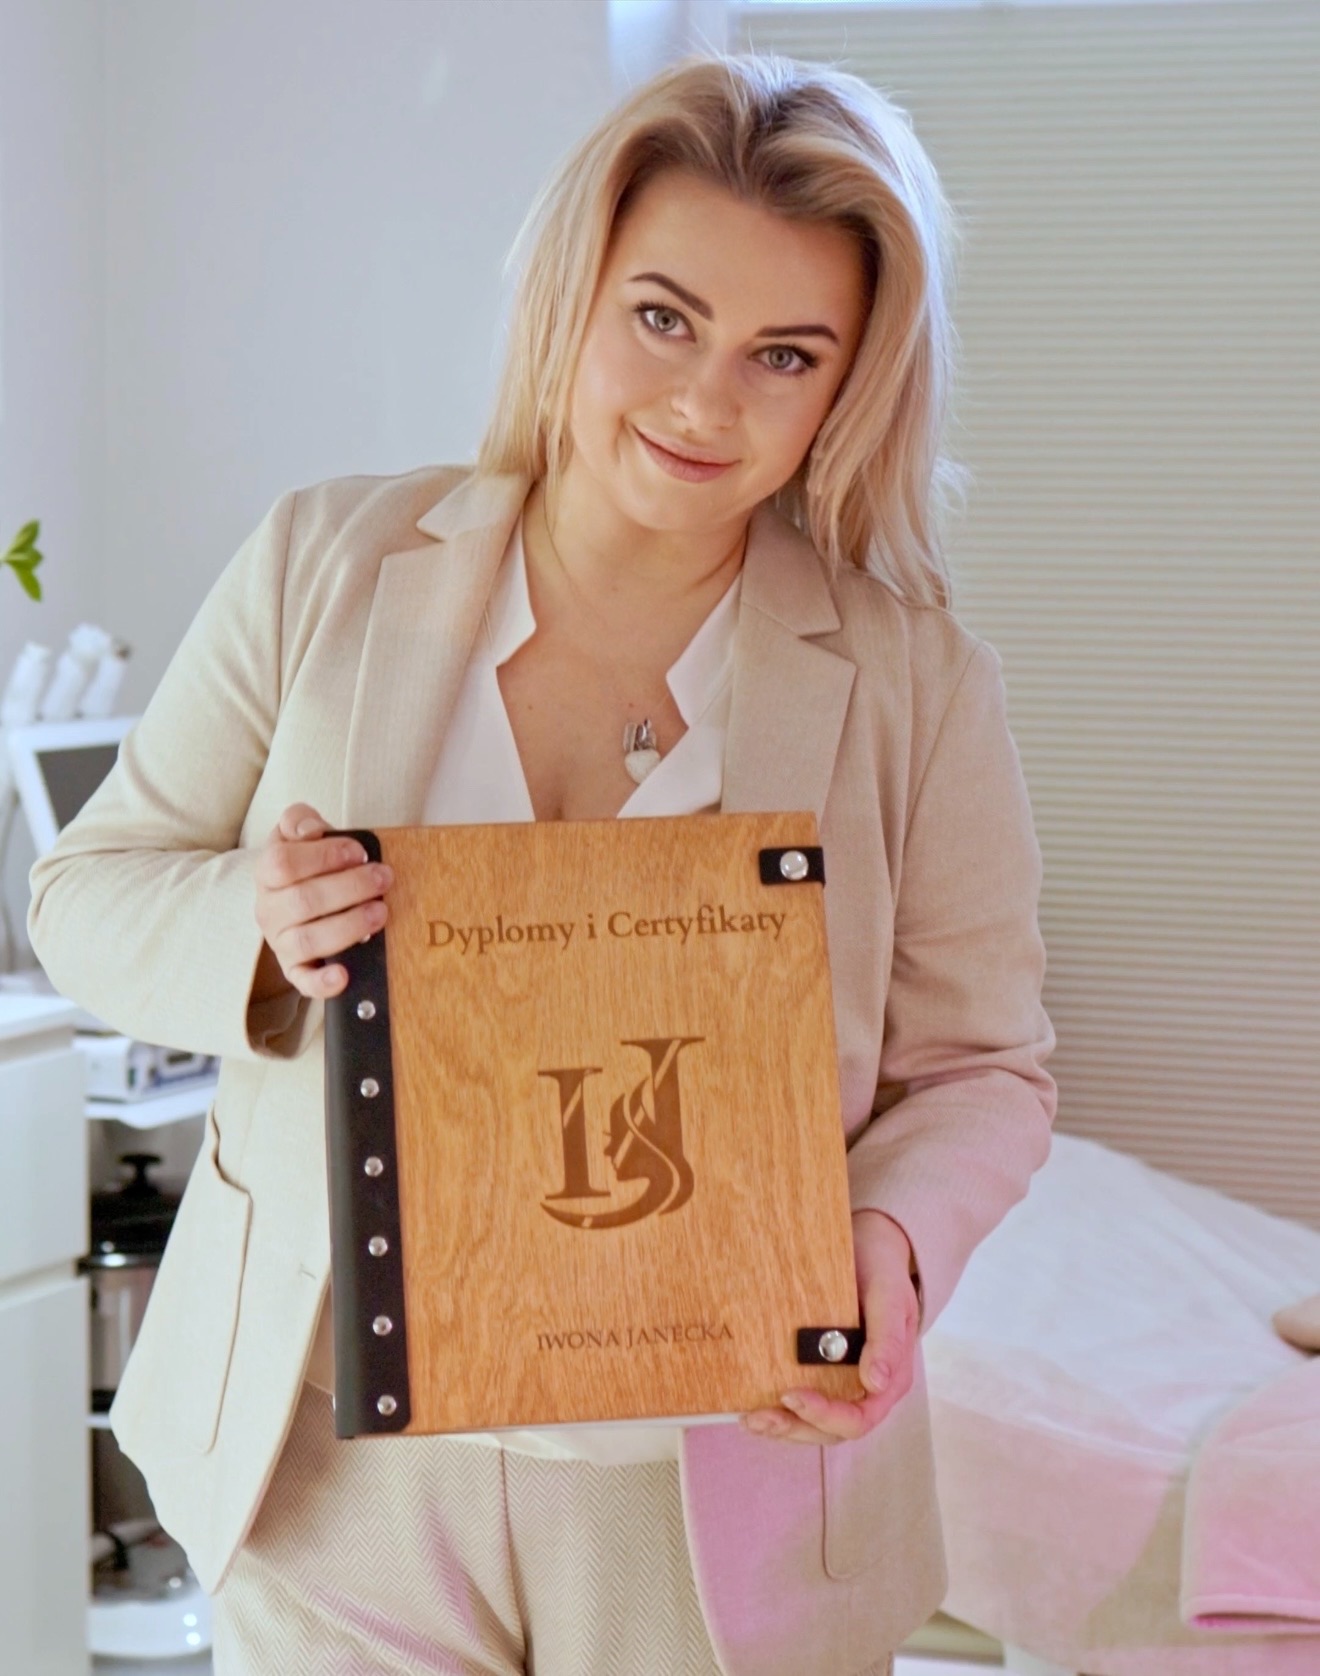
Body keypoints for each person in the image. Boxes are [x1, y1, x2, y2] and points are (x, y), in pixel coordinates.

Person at [28, 49, 1056, 1676]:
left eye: (784, 355)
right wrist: (258, 921)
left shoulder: (918, 684)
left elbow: (984, 1069)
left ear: (849, 387)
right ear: (572, 295)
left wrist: (890, 1242)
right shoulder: (322, 562)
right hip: (330, 1460)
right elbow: (83, 897)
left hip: (705, 1486)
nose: (707, 402)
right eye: (663, 318)